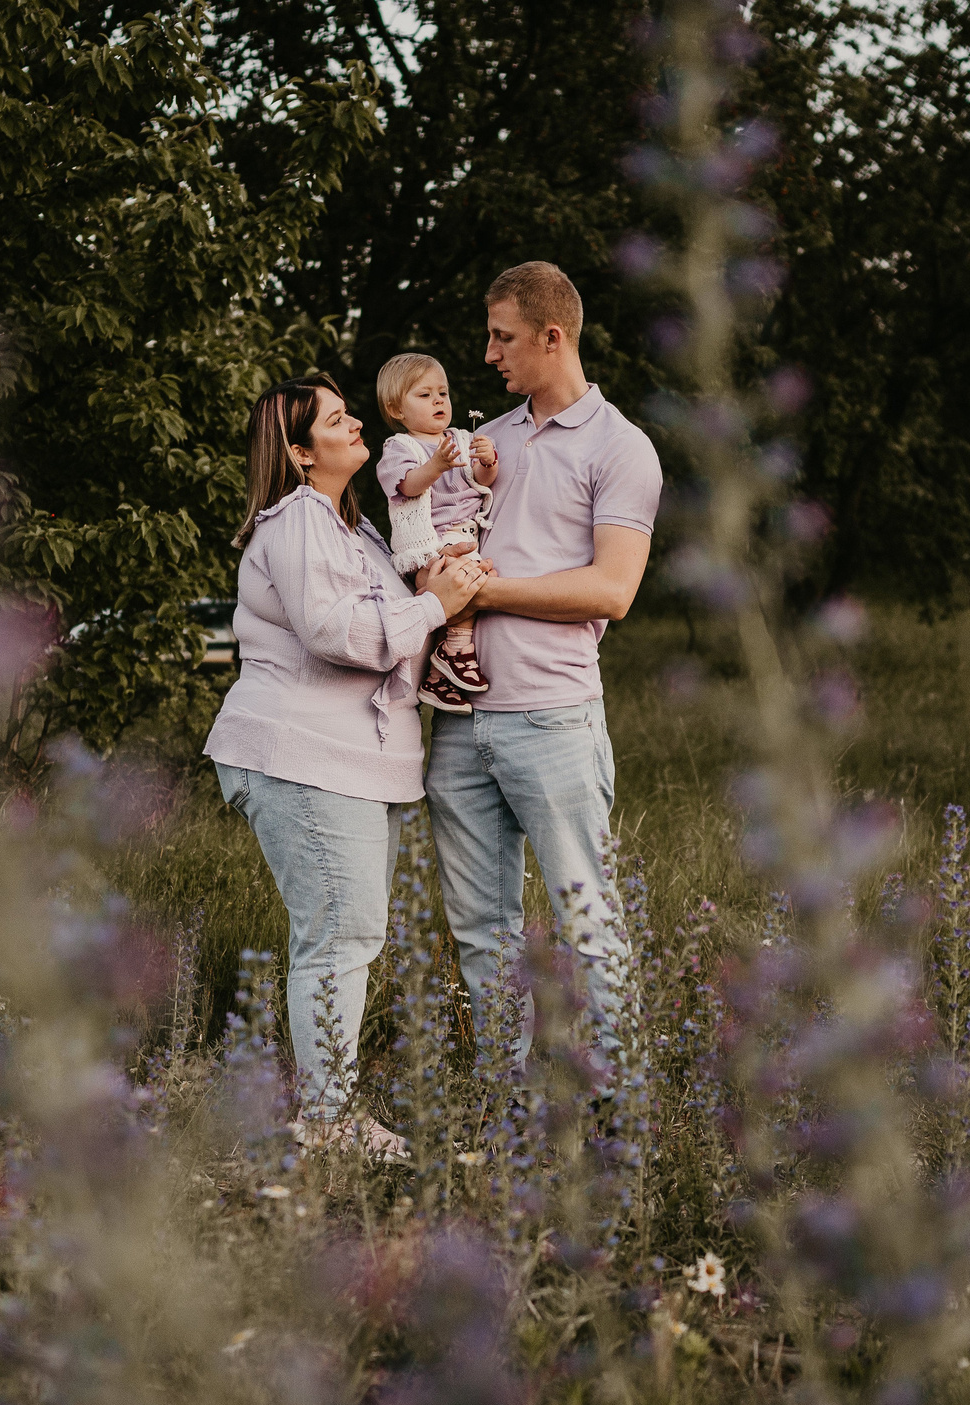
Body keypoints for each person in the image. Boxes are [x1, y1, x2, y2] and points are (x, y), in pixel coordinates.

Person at [203, 374, 489, 1154]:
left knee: (349, 935)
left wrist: (446, 592)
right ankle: (328, 1122)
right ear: (300, 453)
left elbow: (394, 625)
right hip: (301, 753)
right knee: (338, 937)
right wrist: (436, 605)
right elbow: (336, 632)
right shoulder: (298, 519)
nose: (356, 420)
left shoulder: (355, 531)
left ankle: (333, 1109)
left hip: (349, 762)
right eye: (335, 419)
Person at [427, 261, 662, 1057]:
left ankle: (623, 1100)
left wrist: (481, 593)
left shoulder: (620, 448)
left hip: (552, 719)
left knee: (588, 921)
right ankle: (504, 1104)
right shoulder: (483, 443)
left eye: (503, 337)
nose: (488, 354)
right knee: (481, 931)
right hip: (459, 722)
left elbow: (612, 590)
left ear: (552, 336)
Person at [374, 352, 499, 713]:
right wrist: (436, 465)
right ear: (396, 409)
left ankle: (437, 680)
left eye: (442, 393)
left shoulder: (461, 437)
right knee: (468, 582)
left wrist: (488, 461)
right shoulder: (400, 447)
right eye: (425, 395)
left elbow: (481, 480)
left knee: (481, 578)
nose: (438, 401)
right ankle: (455, 651)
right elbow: (408, 485)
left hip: (464, 536)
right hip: (428, 544)